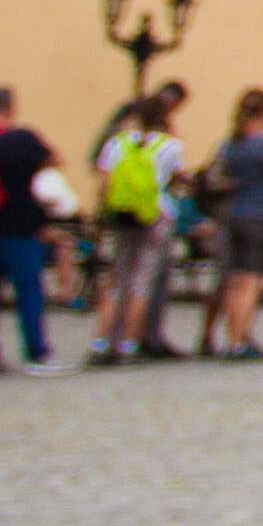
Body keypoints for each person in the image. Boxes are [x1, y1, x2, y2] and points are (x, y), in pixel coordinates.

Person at [87, 85, 192, 364]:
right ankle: (129, 345)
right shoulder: (169, 146)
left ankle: (100, 342)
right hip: (154, 216)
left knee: (116, 281)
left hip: (123, 216)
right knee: (141, 283)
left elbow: (104, 182)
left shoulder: (117, 143)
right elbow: (180, 178)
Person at [0, 85, 59, 374]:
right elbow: (54, 160)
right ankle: (35, 351)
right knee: (29, 288)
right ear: (11, 107)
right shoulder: (23, 138)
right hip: (20, 221)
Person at [199, 89, 263, 358]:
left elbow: (213, 178)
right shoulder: (262, 143)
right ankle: (238, 341)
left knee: (232, 282)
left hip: (231, 216)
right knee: (251, 283)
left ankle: (230, 337)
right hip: (257, 215)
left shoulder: (229, 143)